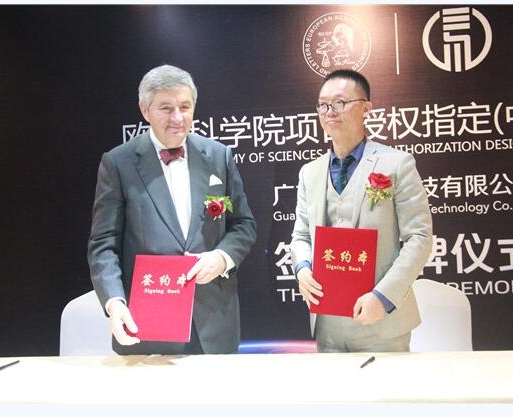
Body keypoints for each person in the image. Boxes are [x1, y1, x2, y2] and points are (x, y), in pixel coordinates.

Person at [87, 64, 257, 355]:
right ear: (145, 110)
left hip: (214, 323)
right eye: (166, 108)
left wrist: (222, 257)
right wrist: (114, 302)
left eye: (185, 107)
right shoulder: (119, 163)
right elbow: (103, 244)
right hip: (148, 324)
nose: (178, 118)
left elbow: (243, 224)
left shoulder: (218, 156)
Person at [290, 69, 433, 352]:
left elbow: (419, 238)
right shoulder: (310, 172)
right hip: (327, 323)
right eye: (323, 105)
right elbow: (301, 236)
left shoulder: (397, 164)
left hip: (382, 322)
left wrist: (384, 296)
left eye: (340, 102)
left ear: (366, 108)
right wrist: (302, 268)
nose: (330, 111)